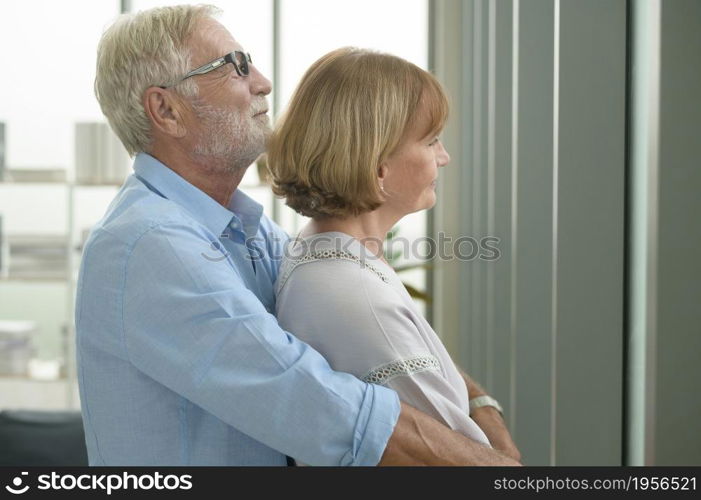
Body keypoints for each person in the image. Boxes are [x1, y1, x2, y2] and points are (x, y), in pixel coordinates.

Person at [77, 4, 520, 466]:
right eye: (236, 67)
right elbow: (326, 409)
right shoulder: (150, 243)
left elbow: (375, 340)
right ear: (166, 110)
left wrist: (479, 406)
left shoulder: (244, 231)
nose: (263, 81)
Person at [268, 47, 521, 463]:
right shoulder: (349, 292)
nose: (445, 157)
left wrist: (482, 405)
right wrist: (490, 418)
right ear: (377, 167)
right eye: (432, 141)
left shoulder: (341, 258)